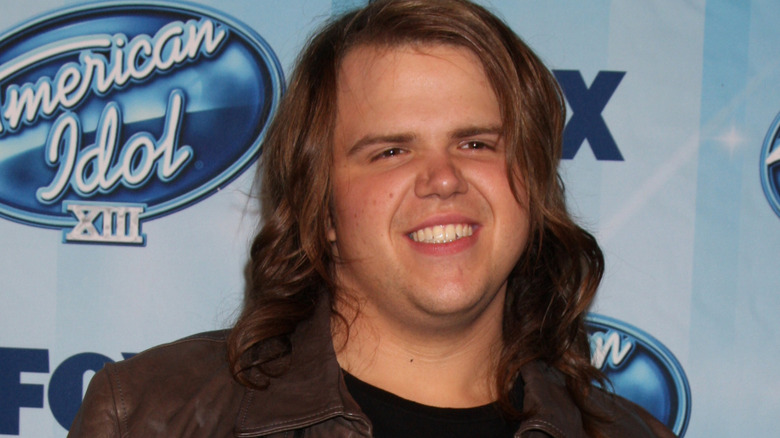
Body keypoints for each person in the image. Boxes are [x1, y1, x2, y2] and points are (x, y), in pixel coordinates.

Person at [69, 0, 676, 437]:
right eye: (391, 150)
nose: (443, 178)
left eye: (477, 144)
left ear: (533, 185)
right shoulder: (149, 416)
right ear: (322, 207)